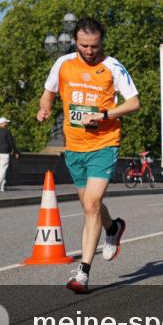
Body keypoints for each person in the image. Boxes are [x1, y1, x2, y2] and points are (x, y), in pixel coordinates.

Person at [37, 17, 139, 293]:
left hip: (104, 143)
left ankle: (82, 272)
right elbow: (48, 93)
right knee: (88, 205)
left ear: (101, 42)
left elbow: (134, 102)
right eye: (84, 46)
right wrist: (44, 108)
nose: (90, 51)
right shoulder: (63, 64)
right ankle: (113, 228)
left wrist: (105, 114)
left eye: (95, 46)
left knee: (92, 204)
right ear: (75, 42)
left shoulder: (112, 66)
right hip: (75, 146)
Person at [0, 116, 20, 192]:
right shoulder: (7, 131)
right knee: (2, 170)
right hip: (5, 153)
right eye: (6, 122)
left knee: (0, 170)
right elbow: (11, 142)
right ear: (3, 123)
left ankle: (2, 186)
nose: (7, 124)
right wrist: (16, 152)